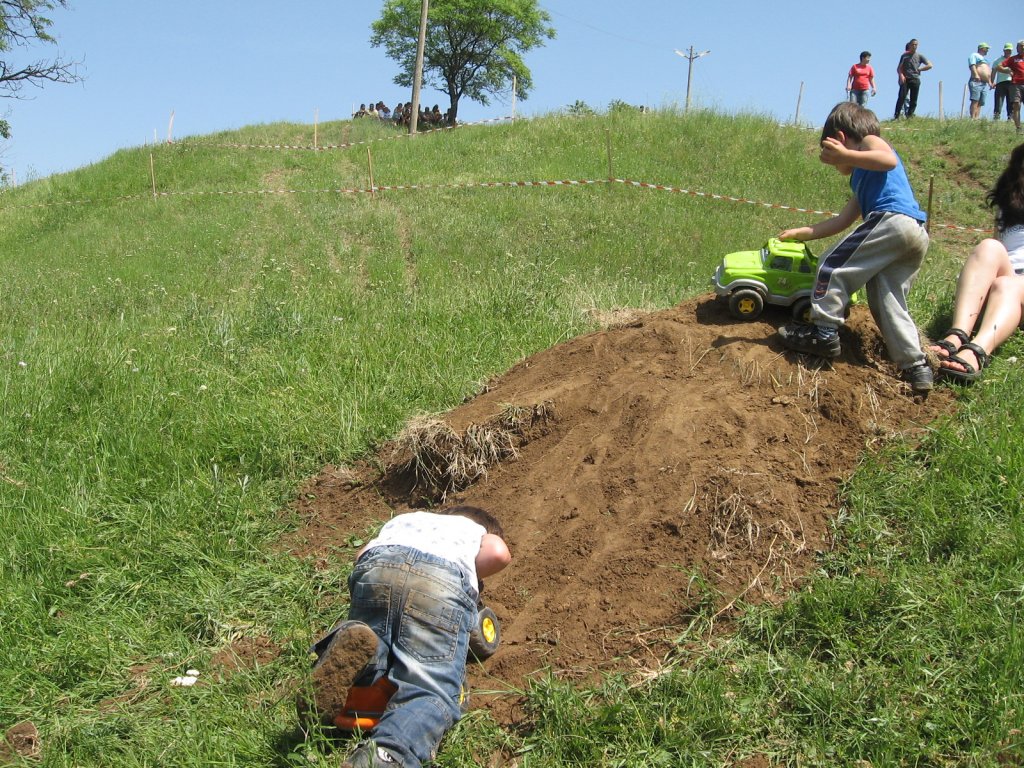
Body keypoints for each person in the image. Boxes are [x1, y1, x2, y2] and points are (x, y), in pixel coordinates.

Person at [303, 505, 512, 768]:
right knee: (431, 688)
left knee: (376, 643)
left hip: (377, 568)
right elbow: (498, 552)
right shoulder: (476, 531)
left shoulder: (407, 520)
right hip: (437, 581)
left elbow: (360, 557)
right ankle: (387, 754)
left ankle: (366, 660)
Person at [776, 102, 933, 394]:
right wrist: (803, 233)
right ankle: (916, 366)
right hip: (913, 233)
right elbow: (842, 221)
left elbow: (888, 160)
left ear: (840, 137)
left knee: (831, 266)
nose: (835, 163)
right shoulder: (862, 179)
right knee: (887, 299)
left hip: (893, 221)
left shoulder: (870, 142)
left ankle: (823, 331)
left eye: (830, 152)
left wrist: (846, 155)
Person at [927, 143, 1024, 383]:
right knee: (989, 247)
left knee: (1006, 286)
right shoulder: (1007, 210)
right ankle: (957, 335)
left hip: (1014, 287)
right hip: (1009, 277)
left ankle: (976, 351)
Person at [894, 39, 932, 119]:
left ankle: (910, 116)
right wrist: (901, 75)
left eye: (916, 45)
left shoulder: (920, 56)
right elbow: (899, 68)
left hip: (915, 79)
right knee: (901, 97)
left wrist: (920, 69)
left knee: (913, 99)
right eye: (913, 44)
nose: (914, 46)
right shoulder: (904, 56)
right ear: (910, 45)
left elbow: (930, 65)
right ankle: (896, 116)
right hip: (906, 80)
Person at [995, 41, 1024, 135]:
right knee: (1016, 105)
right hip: (1015, 84)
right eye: (1021, 46)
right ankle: (1018, 128)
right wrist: (1006, 70)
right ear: (1017, 48)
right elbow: (998, 66)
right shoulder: (1013, 59)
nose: (1022, 48)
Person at [967, 42, 993, 119]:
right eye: (986, 48)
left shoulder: (986, 60)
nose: (987, 50)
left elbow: (987, 72)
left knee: (981, 102)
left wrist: (990, 82)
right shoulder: (974, 55)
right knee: (975, 100)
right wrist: (976, 74)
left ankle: (976, 118)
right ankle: (972, 118)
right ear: (981, 48)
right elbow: (972, 65)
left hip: (984, 83)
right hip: (976, 81)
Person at [994, 44, 1015, 121]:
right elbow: (994, 71)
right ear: (1004, 50)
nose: (1008, 52)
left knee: (1011, 102)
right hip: (1000, 82)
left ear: (1012, 51)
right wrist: (991, 82)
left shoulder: (1014, 60)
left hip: (1012, 83)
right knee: (998, 101)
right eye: (1007, 50)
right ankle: (996, 118)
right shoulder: (998, 60)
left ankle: (1010, 118)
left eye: (1009, 50)